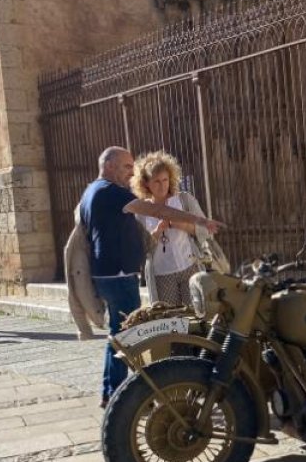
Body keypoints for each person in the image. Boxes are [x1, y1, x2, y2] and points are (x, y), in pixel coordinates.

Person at [81, 146, 224, 407]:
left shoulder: (92, 191)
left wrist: (191, 224)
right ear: (110, 166)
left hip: (127, 272)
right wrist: (187, 223)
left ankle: (117, 391)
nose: (130, 171)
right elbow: (156, 218)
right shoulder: (113, 193)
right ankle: (130, 393)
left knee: (184, 327)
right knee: (133, 334)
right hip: (124, 274)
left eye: (165, 180)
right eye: (126, 166)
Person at [130, 151, 210, 307]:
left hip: (190, 267)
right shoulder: (141, 212)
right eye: (156, 181)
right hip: (162, 274)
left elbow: (205, 230)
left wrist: (181, 224)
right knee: (171, 316)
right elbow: (139, 248)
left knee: (197, 312)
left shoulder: (184, 200)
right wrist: (156, 232)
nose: (162, 186)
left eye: (165, 180)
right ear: (146, 183)